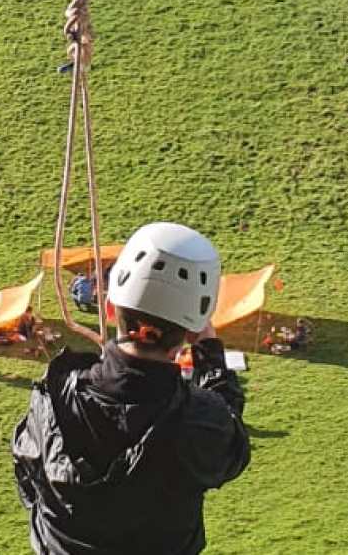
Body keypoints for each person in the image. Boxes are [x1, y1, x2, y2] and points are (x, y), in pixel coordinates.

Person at [13, 222, 250, 555]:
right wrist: (211, 359)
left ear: (109, 308)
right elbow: (230, 446)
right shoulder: (200, 420)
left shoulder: (53, 398)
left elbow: (30, 479)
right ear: (192, 332)